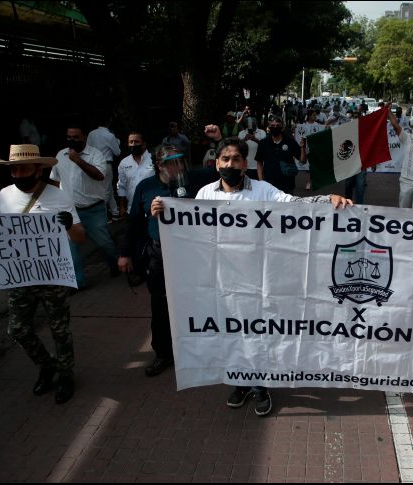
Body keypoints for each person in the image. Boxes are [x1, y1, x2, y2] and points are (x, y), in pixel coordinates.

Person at [151, 137, 352, 416]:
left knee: (256, 333)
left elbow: (294, 205)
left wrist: (326, 201)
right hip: (221, 281)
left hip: (257, 280)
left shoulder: (262, 190)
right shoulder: (206, 194)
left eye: (235, 159)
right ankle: (239, 382)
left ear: (245, 164)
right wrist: (164, 215)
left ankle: (260, 386)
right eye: (225, 159)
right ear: (216, 163)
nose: (230, 164)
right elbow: (190, 233)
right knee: (230, 332)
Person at [0, 144, 87, 404]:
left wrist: (68, 226)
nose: (19, 174)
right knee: (17, 329)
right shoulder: (4, 196)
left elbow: (80, 237)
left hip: (53, 276)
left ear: (38, 169)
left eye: (24, 168)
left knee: (60, 329)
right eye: (14, 169)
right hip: (21, 276)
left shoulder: (58, 197)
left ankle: (66, 375)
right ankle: (47, 365)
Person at [118, 145, 214, 377]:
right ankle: (163, 353)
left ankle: (200, 349)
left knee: (198, 301)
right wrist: (125, 253)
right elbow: (133, 224)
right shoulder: (146, 187)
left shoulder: (198, 179)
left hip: (194, 256)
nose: (179, 166)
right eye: (173, 162)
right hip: (160, 256)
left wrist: (215, 143)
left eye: (181, 161)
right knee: (161, 305)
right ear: (160, 165)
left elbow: (227, 172)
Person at [51, 123, 119, 288]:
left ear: (84, 137)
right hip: (70, 212)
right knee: (71, 249)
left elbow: (99, 176)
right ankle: (78, 282)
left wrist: (78, 160)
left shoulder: (95, 154)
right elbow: (54, 180)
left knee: (104, 243)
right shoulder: (60, 155)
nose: (72, 140)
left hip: (93, 209)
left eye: (75, 137)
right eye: (69, 137)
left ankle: (116, 265)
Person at [87, 118, 122, 222]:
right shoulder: (109, 135)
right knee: (106, 191)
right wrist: (117, 141)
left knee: (108, 189)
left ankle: (115, 213)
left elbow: (88, 148)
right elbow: (117, 152)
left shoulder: (91, 134)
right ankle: (101, 215)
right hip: (105, 164)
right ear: (109, 122)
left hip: (92, 164)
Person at [256, 116, 301, 195]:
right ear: (269, 127)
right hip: (269, 185)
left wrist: (303, 147)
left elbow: (302, 160)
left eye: (277, 126)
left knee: (287, 206)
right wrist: (261, 181)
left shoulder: (290, 141)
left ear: (282, 128)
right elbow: (259, 162)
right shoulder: (263, 143)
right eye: (272, 126)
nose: (275, 127)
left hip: (287, 184)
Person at [116, 131, 155, 217]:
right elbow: (122, 186)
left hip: (153, 210)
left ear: (144, 144)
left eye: (136, 142)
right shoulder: (124, 163)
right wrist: (122, 207)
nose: (133, 144)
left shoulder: (154, 159)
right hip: (132, 210)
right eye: (131, 142)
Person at [238, 116, 267, 181]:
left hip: (259, 166)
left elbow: (265, 146)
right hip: (245, 167)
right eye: (248, 122)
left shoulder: (262, 132)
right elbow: (238, 147)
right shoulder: (241, 133)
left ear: (256, 122)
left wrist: (255, 140)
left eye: (252, 122)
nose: (250, 124)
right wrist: (244, 139)